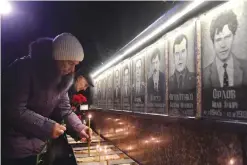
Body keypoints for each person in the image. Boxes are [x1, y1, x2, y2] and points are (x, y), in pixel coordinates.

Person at [2, 33, 92, 165]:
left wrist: (79, 128)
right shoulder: (23, 69)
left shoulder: (62, 79)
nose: (73, 70)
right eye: (70, 63)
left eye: (76, 64)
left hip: (36, 144)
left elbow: (65, 110)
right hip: (13, 147)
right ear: (56, 57)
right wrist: (47, 127)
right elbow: (14, 110)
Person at [203, 10, 247, 88]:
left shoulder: (245, 66)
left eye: (227, 37)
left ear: (234, 36)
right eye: (218, 40)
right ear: (213, 42)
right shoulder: (204, 75)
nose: (223, 45)